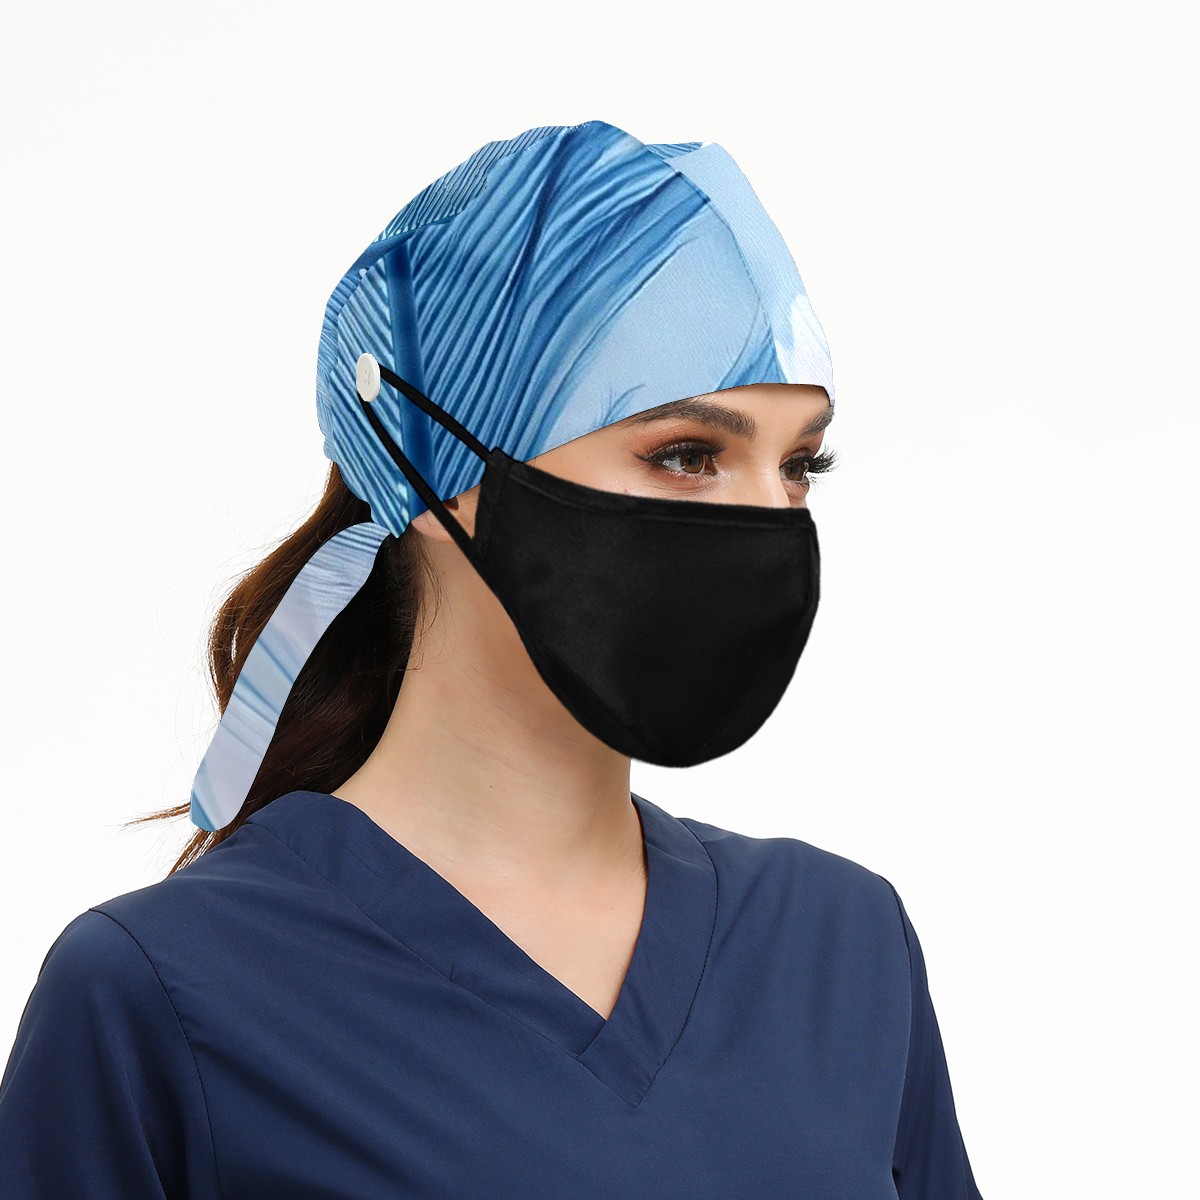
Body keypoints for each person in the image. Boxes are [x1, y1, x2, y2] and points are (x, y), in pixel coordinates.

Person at [0, 119, 984, 1198]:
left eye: (800, 466)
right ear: (434, 471)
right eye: (686, 454)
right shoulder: (160, 995)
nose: (769, 522)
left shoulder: (841, 946)